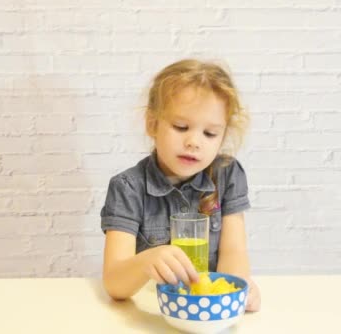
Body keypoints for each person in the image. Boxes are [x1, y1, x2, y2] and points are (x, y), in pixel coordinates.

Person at [100, 58, 261, 311]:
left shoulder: (228, 175)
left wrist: (237, 291)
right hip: (152, 309)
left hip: (208, 312)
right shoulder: (128, 187)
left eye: (210, 133)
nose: (194, 141)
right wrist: (147, 260)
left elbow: (234, 252)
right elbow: (114, 283)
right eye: (181, 127)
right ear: (152, 124)